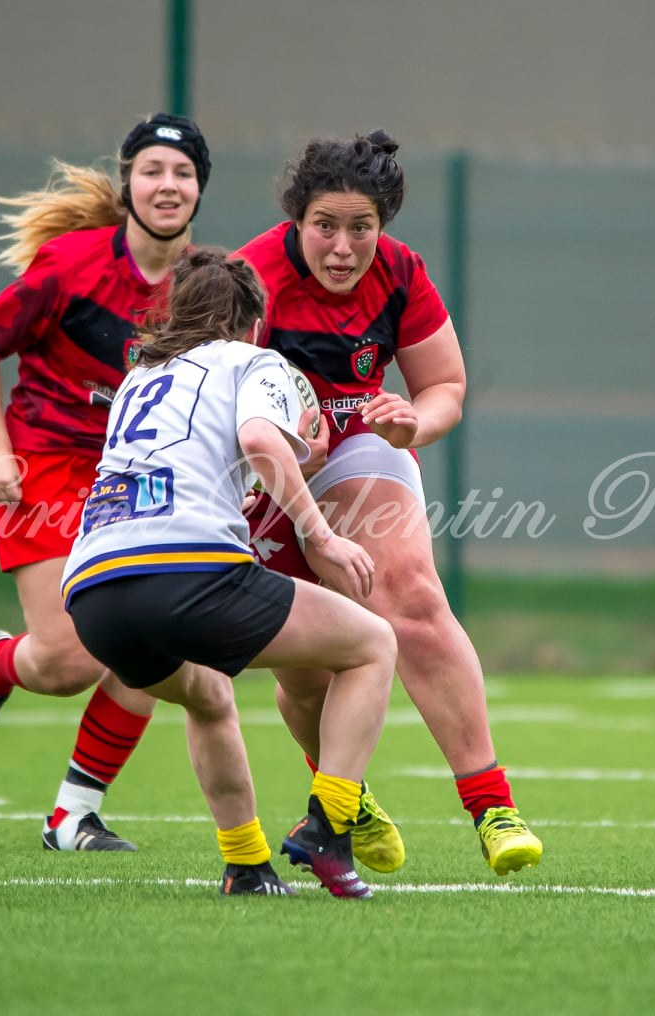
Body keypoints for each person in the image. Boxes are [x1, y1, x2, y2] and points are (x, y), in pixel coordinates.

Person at [236, 131, 543, 875]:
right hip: (262, 465)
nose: (342, 247)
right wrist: (282, 451)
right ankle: (341, 796)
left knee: (409, 593)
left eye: (360, 229)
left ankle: (491, 805)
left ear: (384, 225)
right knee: (306, 667)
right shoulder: (252, 275)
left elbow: (445, 389)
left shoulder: (401, 274)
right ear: (296, 221)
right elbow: (222, 396)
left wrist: (414, 421)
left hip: (358, 444)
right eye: (325, 227)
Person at [63, 248, 397, 897]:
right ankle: (327, 830)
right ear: (251, 322)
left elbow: (180, 464)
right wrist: (319, 534)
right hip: (183, 572)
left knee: (207, 695)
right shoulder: (252, 358)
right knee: (371, 645)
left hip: (92, 593)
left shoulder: (137, 379)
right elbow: (260, 441)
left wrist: (240, 495)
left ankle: (245, 865)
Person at [0, 114, 210, 852]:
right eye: (152, 170)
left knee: (155, 638)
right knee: (64, 662)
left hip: (139, 478)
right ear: (128, 182)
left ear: (200, 190)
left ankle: (71, 816)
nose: (167, 185)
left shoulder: (207, 286)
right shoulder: (69, 265)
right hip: (49, 462)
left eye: (182, 173)